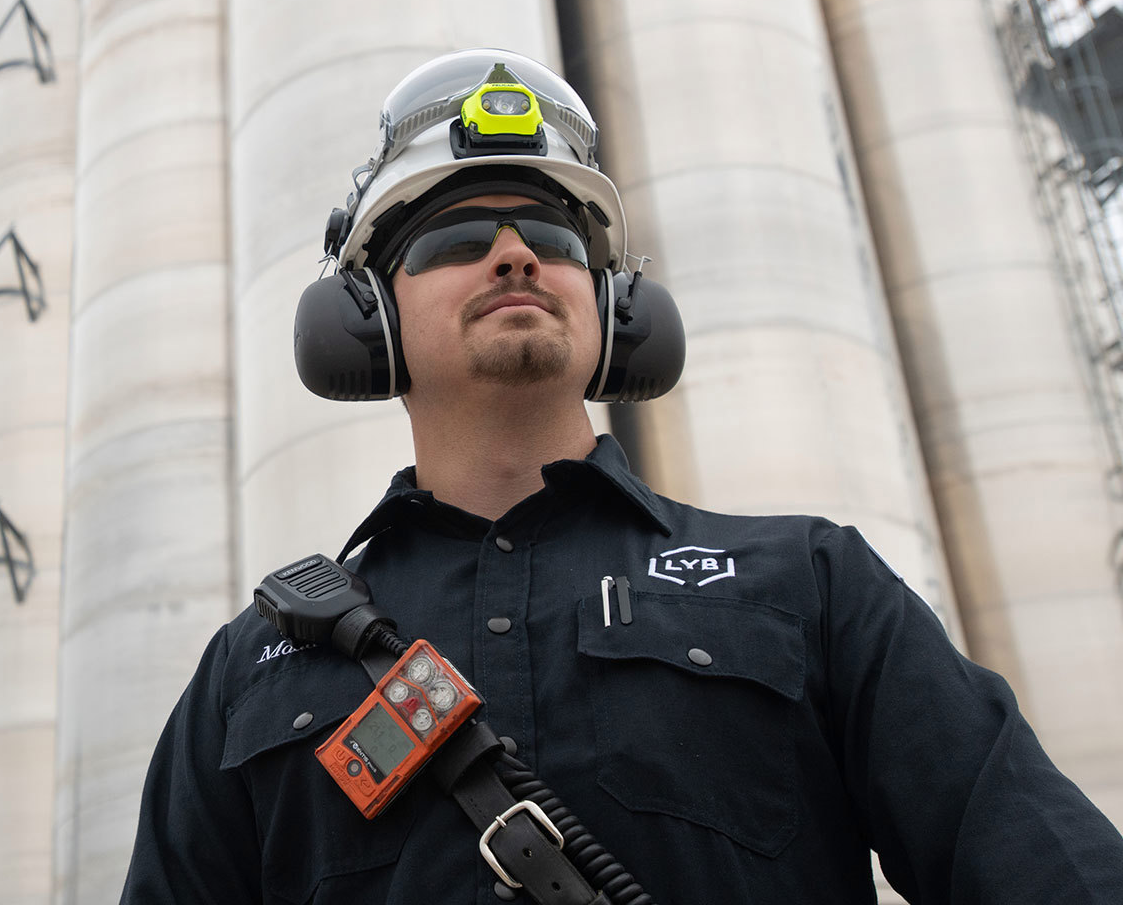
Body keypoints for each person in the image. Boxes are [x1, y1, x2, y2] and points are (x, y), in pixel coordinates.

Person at [120, 50, 1123, 903]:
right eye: (460, 238)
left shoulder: (809, 583)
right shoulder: (254, 670)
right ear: (365, 321)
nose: (514, 254)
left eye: (555, 239)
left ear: (616, 307)